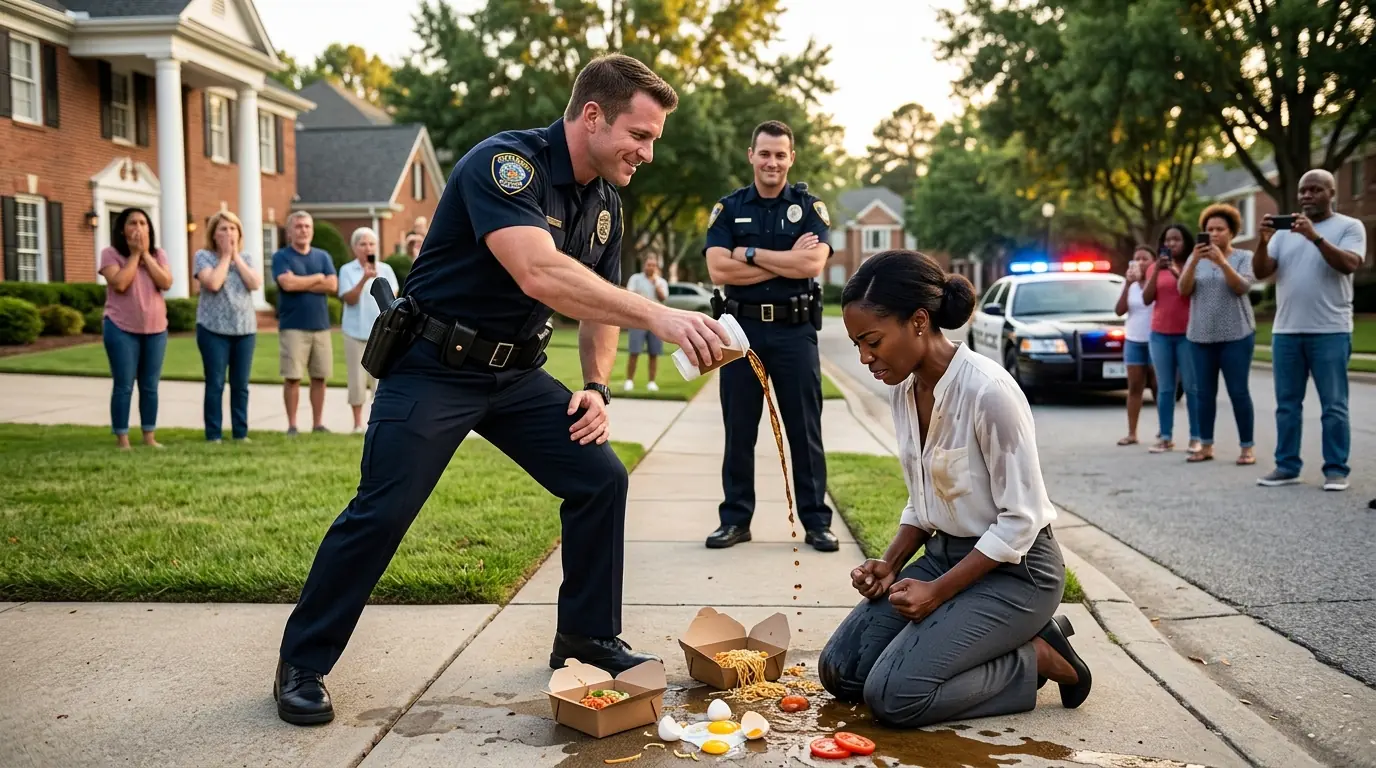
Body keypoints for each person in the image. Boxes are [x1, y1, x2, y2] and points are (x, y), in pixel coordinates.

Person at [273, 53, 730, 726]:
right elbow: (539, 272)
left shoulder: (605, 204)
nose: (648, 153)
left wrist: (597, 387)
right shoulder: (506, 165)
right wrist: (661, 317)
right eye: (640, 135)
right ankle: (302, 663)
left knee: (600, 479)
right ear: (593, 116)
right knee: (383, 510)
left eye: (653, 138)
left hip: (515, 375)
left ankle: (586, 637)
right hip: (433, 365)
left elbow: (598, 307)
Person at [818, 250, 1090, 729]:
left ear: (919, 321)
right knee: (842, 671)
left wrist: (937, 593)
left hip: (1017, 574)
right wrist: (891, 563)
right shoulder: (904, 389)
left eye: (873, 341)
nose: (864, 358)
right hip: (945, 558)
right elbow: (926, 499)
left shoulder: (989, 391)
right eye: (858, 344)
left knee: (894, 697)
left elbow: (1020, 521)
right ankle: (989, 640)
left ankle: (1038, 656)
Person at [702, 120, 837, 553]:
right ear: (751, 156)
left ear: (791, 158)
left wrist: (749, 253)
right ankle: (735, 520)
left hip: (795, 332)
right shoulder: (729, 208)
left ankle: (816, 522)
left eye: (780, 154)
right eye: (764, 153)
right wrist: (784, 261)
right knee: (739, 430)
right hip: (740, 332)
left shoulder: (809, 208)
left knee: (804, 430)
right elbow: (718, 269)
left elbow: (811, 265)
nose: (772, 162)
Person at [1252, 169, 1366, 491]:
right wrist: (1263, 242)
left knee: (1334, 405)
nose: (1307, 196)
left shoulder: (1349, 226)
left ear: (1332, 193)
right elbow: (1261, 272)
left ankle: (1336, 470)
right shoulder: (1284, 233)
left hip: (1330, 330)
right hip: (1286, 331)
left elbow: (1349, 264)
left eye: (1315, 190)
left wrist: (1314, 237)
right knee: (1287, 405)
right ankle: (1287, 466)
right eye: (1303, 190)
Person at [1179, 204, 1256, 465]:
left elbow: (1242, 287)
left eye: (1219, 229)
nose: (1213, 234)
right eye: (1209, 229)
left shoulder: (1243, 257)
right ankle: (1205, 445)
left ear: (1231, 232)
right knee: (1203, 394)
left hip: (1236, 335)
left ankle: (1246, 448)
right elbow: (1183, 290)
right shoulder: (1194, 259)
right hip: (1200, 336)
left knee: (1238, 392)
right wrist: (1194, 262)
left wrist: (1222, 262)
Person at [98, 207, 172, 450]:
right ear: (122, 229)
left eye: (143, 223)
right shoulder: (110, 254)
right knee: (124, 385)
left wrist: (146, 255)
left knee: (150, 386)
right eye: (133, 223)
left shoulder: (159, 255)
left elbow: (166, 282)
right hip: (120, 328)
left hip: (156, 329)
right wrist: (134, 255)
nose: (138, 228)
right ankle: (122, 439)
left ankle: (149, 437)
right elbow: (120, 284)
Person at [193, 211, 261, 443]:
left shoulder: (247, 257)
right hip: (213, 329)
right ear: (213, 234)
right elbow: (213, 283)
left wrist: (236, 258)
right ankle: (214, 434)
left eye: (233, 229)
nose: (229, 233)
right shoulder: (203, 257)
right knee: (215, 383)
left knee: (241, 385)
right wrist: (224, 257)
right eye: (223, 229)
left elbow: (254, 283)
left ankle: (240, 433)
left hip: (244, 330)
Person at [272, 211, 337, 436]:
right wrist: (318, 278)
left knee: (320, 377)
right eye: (298, 226)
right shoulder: (281, 257)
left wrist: (301, 282)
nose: (303, 230)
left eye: (307, 226)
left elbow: (332, 285)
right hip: (293, 326)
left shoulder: (323, 256)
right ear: (289, 231)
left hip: (321, 326)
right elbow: (287, 284)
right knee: (293, 377)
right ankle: (292, 425)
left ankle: (317, 424)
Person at [1143, 224, 1200, 455]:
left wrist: (1176, 272)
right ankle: (1165, 436)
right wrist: (1157, 270)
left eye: (1176, 239)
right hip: (1160, 334)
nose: (1171, 244)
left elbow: (1190, 291)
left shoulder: (1193, 264)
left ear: (1185, 242)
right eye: (1167, 240)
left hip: (1188, 334)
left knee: (1191, 387)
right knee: (1165, 388)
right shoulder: (1154, 268)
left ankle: (1196, 437)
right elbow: (1147, 298)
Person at [338, 227, 400, 433]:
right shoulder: (347, 270)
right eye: (363, 244)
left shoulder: (386, 269)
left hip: (381, 333)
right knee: (356, 380)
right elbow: (349, 299)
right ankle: (357, 424)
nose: (368, 248)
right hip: (355, 332)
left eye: (371, 244)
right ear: (355, 248)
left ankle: (378, 422)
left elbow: (392, 300)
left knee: (381, 380)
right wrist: (364, 278)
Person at [1114, 245, 1157, 446]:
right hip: (1134, 339)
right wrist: (1128, 284)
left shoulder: (1157, 281)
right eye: (1137, 258)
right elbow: (1119, 310)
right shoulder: (1129, 284)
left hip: (1156, 339)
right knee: (1135, 387)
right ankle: (1132, 433)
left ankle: (1164, 432)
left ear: (1153, 262)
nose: (1140, 262)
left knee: (1158, 386)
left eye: (1144, 258)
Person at [623, 257, 668, 392]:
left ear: (656, 267)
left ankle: (652, 382)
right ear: (644, 265)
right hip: (638, 320)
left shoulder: (661, 282)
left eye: (653, 265)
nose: (651, 267)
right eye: (649, 265)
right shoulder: (635, 278)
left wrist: (656, 285)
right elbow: (630, 294)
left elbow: (663, 298)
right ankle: (629, 381)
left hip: (656, 321)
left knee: (654, 353)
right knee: (634, 351)